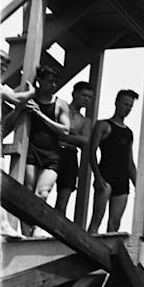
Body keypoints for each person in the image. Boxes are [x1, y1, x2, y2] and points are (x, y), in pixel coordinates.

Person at [3, 65, 71, 236]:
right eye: (49, 81)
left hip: (52, 154)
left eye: (55, 81)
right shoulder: (28, 99)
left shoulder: (60, 104)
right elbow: (6, 125)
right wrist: (20, 108)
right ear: (39, 82)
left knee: (43, 193)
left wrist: (40, 114)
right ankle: (26, 234)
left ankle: (39, 229)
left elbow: (65, 130)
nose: (53, 84)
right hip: (33, 150)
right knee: (28, 192)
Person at [87, 89, 139, 234]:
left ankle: (106, 253)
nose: (127, 108)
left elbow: (129, 162)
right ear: (116, 103)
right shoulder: (103, 125)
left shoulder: (129, 133)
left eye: (130, 106)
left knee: (115, 223)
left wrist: (139, 187)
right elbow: (92, 151)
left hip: (122, 180)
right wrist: (97, 176)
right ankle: (86, 248)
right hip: (106, 177)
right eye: (125, 104)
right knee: (97, 217)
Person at [53, 81, 94, 219]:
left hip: (71, 155)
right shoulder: (61, 106)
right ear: (74, 94)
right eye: (84, 95)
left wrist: (65, 133)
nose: (86, 99)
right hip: (55, 150)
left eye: (89, 97)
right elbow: (56, 132)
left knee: (63, 200)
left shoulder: (85, 120)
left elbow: (84, 141)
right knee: (43, 191)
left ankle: (56, 232)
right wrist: (75, 135)